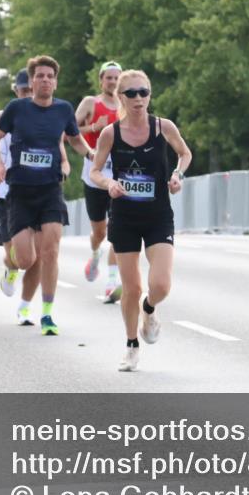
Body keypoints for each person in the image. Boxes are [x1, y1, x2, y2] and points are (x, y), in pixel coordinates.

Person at [90, 70, 191, 372]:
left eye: (143, 92)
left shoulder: (164, 127)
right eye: (131, 93)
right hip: (124, 217)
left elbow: (185, 154)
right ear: (120, 97)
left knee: (160, 285)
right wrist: (109, 183)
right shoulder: (111, 133)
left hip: (158, 215)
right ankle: (131, 345)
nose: (138, 98)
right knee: (131, 288)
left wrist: (177, 175)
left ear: (149, 95)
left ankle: (149, 308)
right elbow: (95, 171)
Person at [0, 55, 94, 336]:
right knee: (26, 260)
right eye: (40, 76)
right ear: (32, 81)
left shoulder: (64, 110)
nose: (45, 80)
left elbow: (75, 140)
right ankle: (12, 266)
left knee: (51, 252)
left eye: (50, 76)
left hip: (50, 190)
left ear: (55, 82)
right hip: (20, 192)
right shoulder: (16, 109)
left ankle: (47, 313)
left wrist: (93, 155)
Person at [0, 68, 65, 325]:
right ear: (16, 91)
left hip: (39, 191)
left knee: (39, 257)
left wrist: (63, 165)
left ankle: (25, 307)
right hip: (8, 195)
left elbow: (59, 146)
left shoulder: (49, 116)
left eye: (30, 90)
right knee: (20, 257)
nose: (27, 94)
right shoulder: (1, 117)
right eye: (23, 90)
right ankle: (10, 267)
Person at [75, 60, 123, 302]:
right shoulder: (90, 103)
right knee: (100, 232)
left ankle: (112, 281)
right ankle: (95, 255)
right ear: (101, 80)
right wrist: (94, 126)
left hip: (119, 175)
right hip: (94, 174)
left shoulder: (126, 105)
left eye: (117, 78)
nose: (113, 82)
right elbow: (70, 131)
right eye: (109, 78)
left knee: (118, 229)